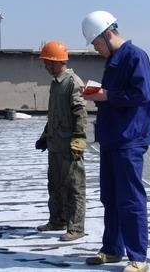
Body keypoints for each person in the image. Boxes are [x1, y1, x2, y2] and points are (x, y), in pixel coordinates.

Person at [81, 11, 150, 272]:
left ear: (108, 34)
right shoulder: (114, 60)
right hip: (112, 138)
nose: (96, 49)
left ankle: (138, 258)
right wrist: (101, 94)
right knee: (111, 197)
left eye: (96, 43)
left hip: (129, 138)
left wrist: (105, 95)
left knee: (130, 199)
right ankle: (112, 249)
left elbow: (141, 93)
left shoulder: (135, 56)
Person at [35, 41, 88, 242]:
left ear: (58, 62)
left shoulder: (73, 82)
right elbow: (54, 115)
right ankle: (57, 220)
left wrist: (78, 140)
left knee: (74, 186)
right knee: (55, 185)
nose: (46, 67)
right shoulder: (55, 83)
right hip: (55, 144)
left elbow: (80, 113)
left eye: (48, 63)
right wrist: (45, 135)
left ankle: (76, 227)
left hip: (69, 146)